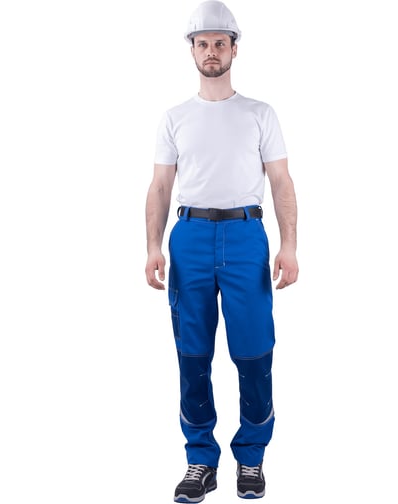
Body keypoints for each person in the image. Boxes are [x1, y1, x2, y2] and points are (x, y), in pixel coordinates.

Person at [145, 1, 298, 501]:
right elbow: (160, 186)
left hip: (245, 235)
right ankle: (200, 460)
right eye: (202, 43)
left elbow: (281, 181)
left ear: (234, 49)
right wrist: (152, 247)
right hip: (189, 236)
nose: (211, 51)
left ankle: (251, 457)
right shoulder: (175, 118)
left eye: (219, 43)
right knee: (193, 353)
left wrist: (290, 245)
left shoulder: (260, 114)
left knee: (254, 351)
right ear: (191, 50)